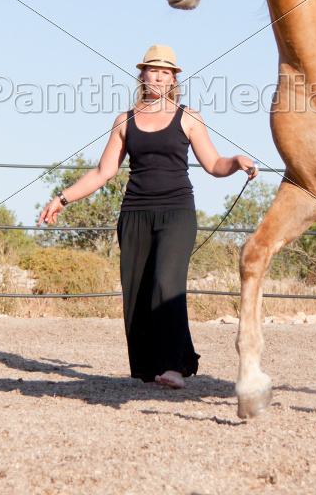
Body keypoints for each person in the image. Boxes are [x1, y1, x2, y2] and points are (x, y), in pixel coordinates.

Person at [38, 45, 257, 389]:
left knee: (166, 284)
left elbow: (214, 164)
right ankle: (151, 366)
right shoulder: (124, 121)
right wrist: (62, 198)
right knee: (138, 291)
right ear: (142, 75)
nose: (158, 76)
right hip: (135, 213)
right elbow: (102, 171)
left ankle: (173, 366)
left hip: (177, 213)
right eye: (152, 70)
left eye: (165, 72)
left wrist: (236, 161)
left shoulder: (189, 117)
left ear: (174, 79)